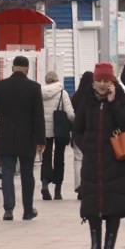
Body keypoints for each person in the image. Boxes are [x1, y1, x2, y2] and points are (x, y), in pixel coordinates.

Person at [74, 63, 125, 249]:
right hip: (92, 161)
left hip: (116, 160)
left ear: (112, 82)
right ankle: (95, 246)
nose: (102, 84)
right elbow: (78, 130)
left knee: (113, 206)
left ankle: (109, 248)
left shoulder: (122, 100)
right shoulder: (86, 102)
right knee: (92, 205)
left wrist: (112, 103)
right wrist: (86, 146)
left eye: (106, 80)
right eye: (99, 80)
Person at [0, 55, 45, 221]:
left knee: (7, 172)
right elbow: (38, 116)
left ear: (12, 68)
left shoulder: (0, 86)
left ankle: (8, 209)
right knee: (27, 173)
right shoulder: (34, 88)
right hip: (27, 137)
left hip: (5, 136)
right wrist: (41, 140)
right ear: (27, 69)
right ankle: (28, 210)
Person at [40, 71, 75, 201]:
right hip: (60, 129)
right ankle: (57, 190)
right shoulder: (62, 93)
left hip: (44, 129)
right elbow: (70, 113)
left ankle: (45, 183)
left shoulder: (40, 92)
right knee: (59, 158)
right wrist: (74, 122)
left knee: (46, 156)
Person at [71, 71, 94, 196]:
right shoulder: (92, 97)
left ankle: (79, 185)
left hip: (78, 132)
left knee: (77, 159)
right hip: (90, 132)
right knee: (90, 159)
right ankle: (88, 185)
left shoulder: (76, 96)